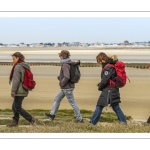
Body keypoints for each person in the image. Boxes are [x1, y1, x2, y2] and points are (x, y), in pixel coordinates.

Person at [44, 50, 83, 122]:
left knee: (73, 103)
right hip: (68, 87)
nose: (59, 57)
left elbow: (67, 76)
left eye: (60, 56)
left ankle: (79, 119)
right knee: (57, 98)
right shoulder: (70, 63)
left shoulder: (65, 65)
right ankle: (52, 114)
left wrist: (61, 83)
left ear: (62, 56)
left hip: (66, 87)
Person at [89, 52, 127, 125]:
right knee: (115, 106)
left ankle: (92, 123)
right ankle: (123, 122)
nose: (99, 63)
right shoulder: (110, 65)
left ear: (102, 59)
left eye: (99, 61)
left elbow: (105, 79)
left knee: (99, 106)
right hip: (113, 89)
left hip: (109, 90)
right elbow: (108, 79)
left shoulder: (108, 67)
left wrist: (100, 87)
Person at [6, 52, 37, 127]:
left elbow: (16, 80)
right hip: (24, 88)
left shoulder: (17, 67)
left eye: (13, 59)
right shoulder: (25, 65)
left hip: (19, 90)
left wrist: (13, 91)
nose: (13, 60)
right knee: (15, 107)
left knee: (17, 107)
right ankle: (15, 122)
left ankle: (31, 119)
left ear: (18, 58)